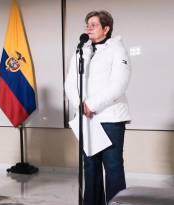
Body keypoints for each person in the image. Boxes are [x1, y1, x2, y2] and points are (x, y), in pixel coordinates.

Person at [65, 10, 131, 205]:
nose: (89, 28)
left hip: (111, 118)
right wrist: (80, 104)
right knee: (90, 167)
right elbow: (70, 82)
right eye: (87, 24)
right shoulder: (81, 51)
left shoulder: (117, 49)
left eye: (93, 25)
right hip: (87, 119)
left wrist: (92, 104)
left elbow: (119, 84)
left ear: (106, 28)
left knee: (113, 168)